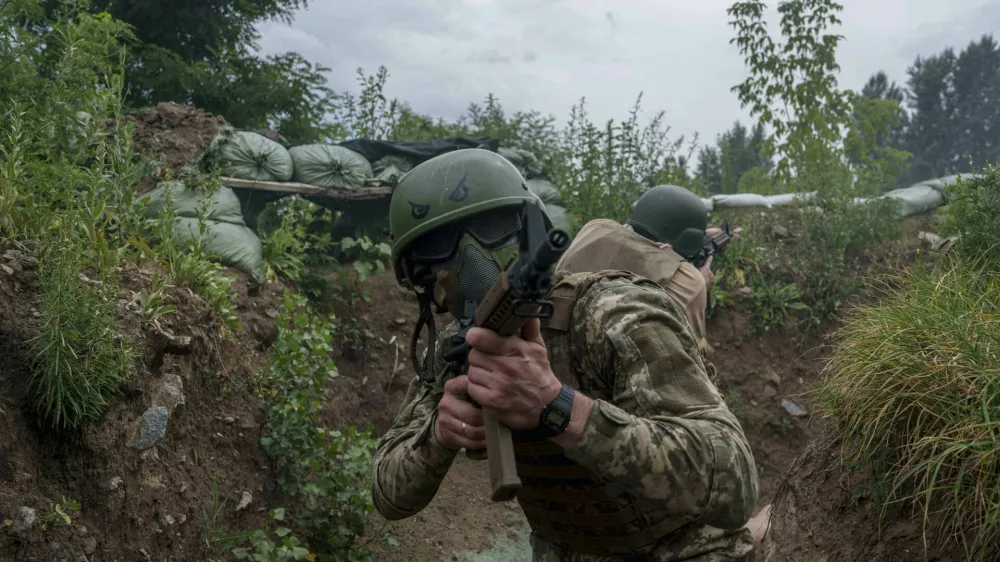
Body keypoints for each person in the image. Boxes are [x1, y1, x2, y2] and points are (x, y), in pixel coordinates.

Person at [372, 148, 760, 561]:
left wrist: (557, 408)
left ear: (529, 231)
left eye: (491, 227)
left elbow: (734, 482)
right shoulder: (455, 351)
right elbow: (388, 494)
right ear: (419, 280)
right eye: (436, 246)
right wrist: (440, 433)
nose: (472, 261)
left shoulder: (613, 313)